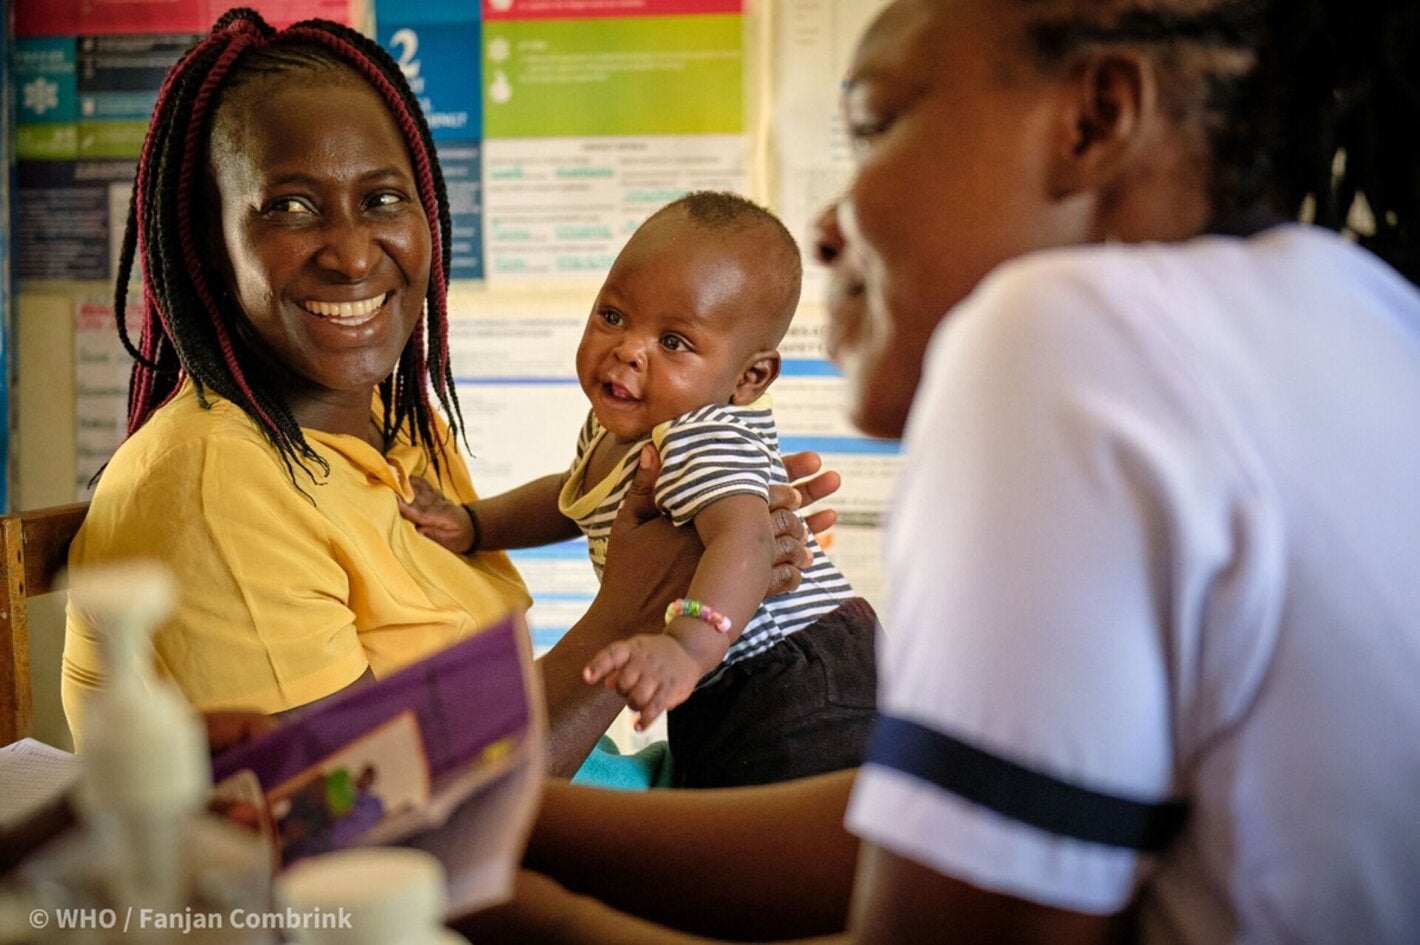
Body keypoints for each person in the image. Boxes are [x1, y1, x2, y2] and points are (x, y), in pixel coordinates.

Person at [459, 0, 1420, 942]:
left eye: (875, 127)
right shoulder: (1362, 315)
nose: (831, 225)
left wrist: (511, 907)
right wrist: (490, 818)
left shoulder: (1065, 330)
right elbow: (931, 840)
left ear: (1093, 121)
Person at [59, 7, 837, 780]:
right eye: (289, 207)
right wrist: (633, 611)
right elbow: (358, 823)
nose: (355, 254)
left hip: (599, 785)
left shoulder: (397, 428)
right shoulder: (211, 481)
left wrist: (741, 544)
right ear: (208, 240)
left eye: (384, 199)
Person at [400, 191, 877, 787]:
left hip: (795, 676)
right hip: (721, 665)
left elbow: (749, 543)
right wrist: (473, 523)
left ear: (750, 378)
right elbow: (568, 499)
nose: (626, 350)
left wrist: (684, 647)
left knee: (763, 848)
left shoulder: (698, 436)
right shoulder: (615, 428)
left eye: (673, 342)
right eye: (613, 316)